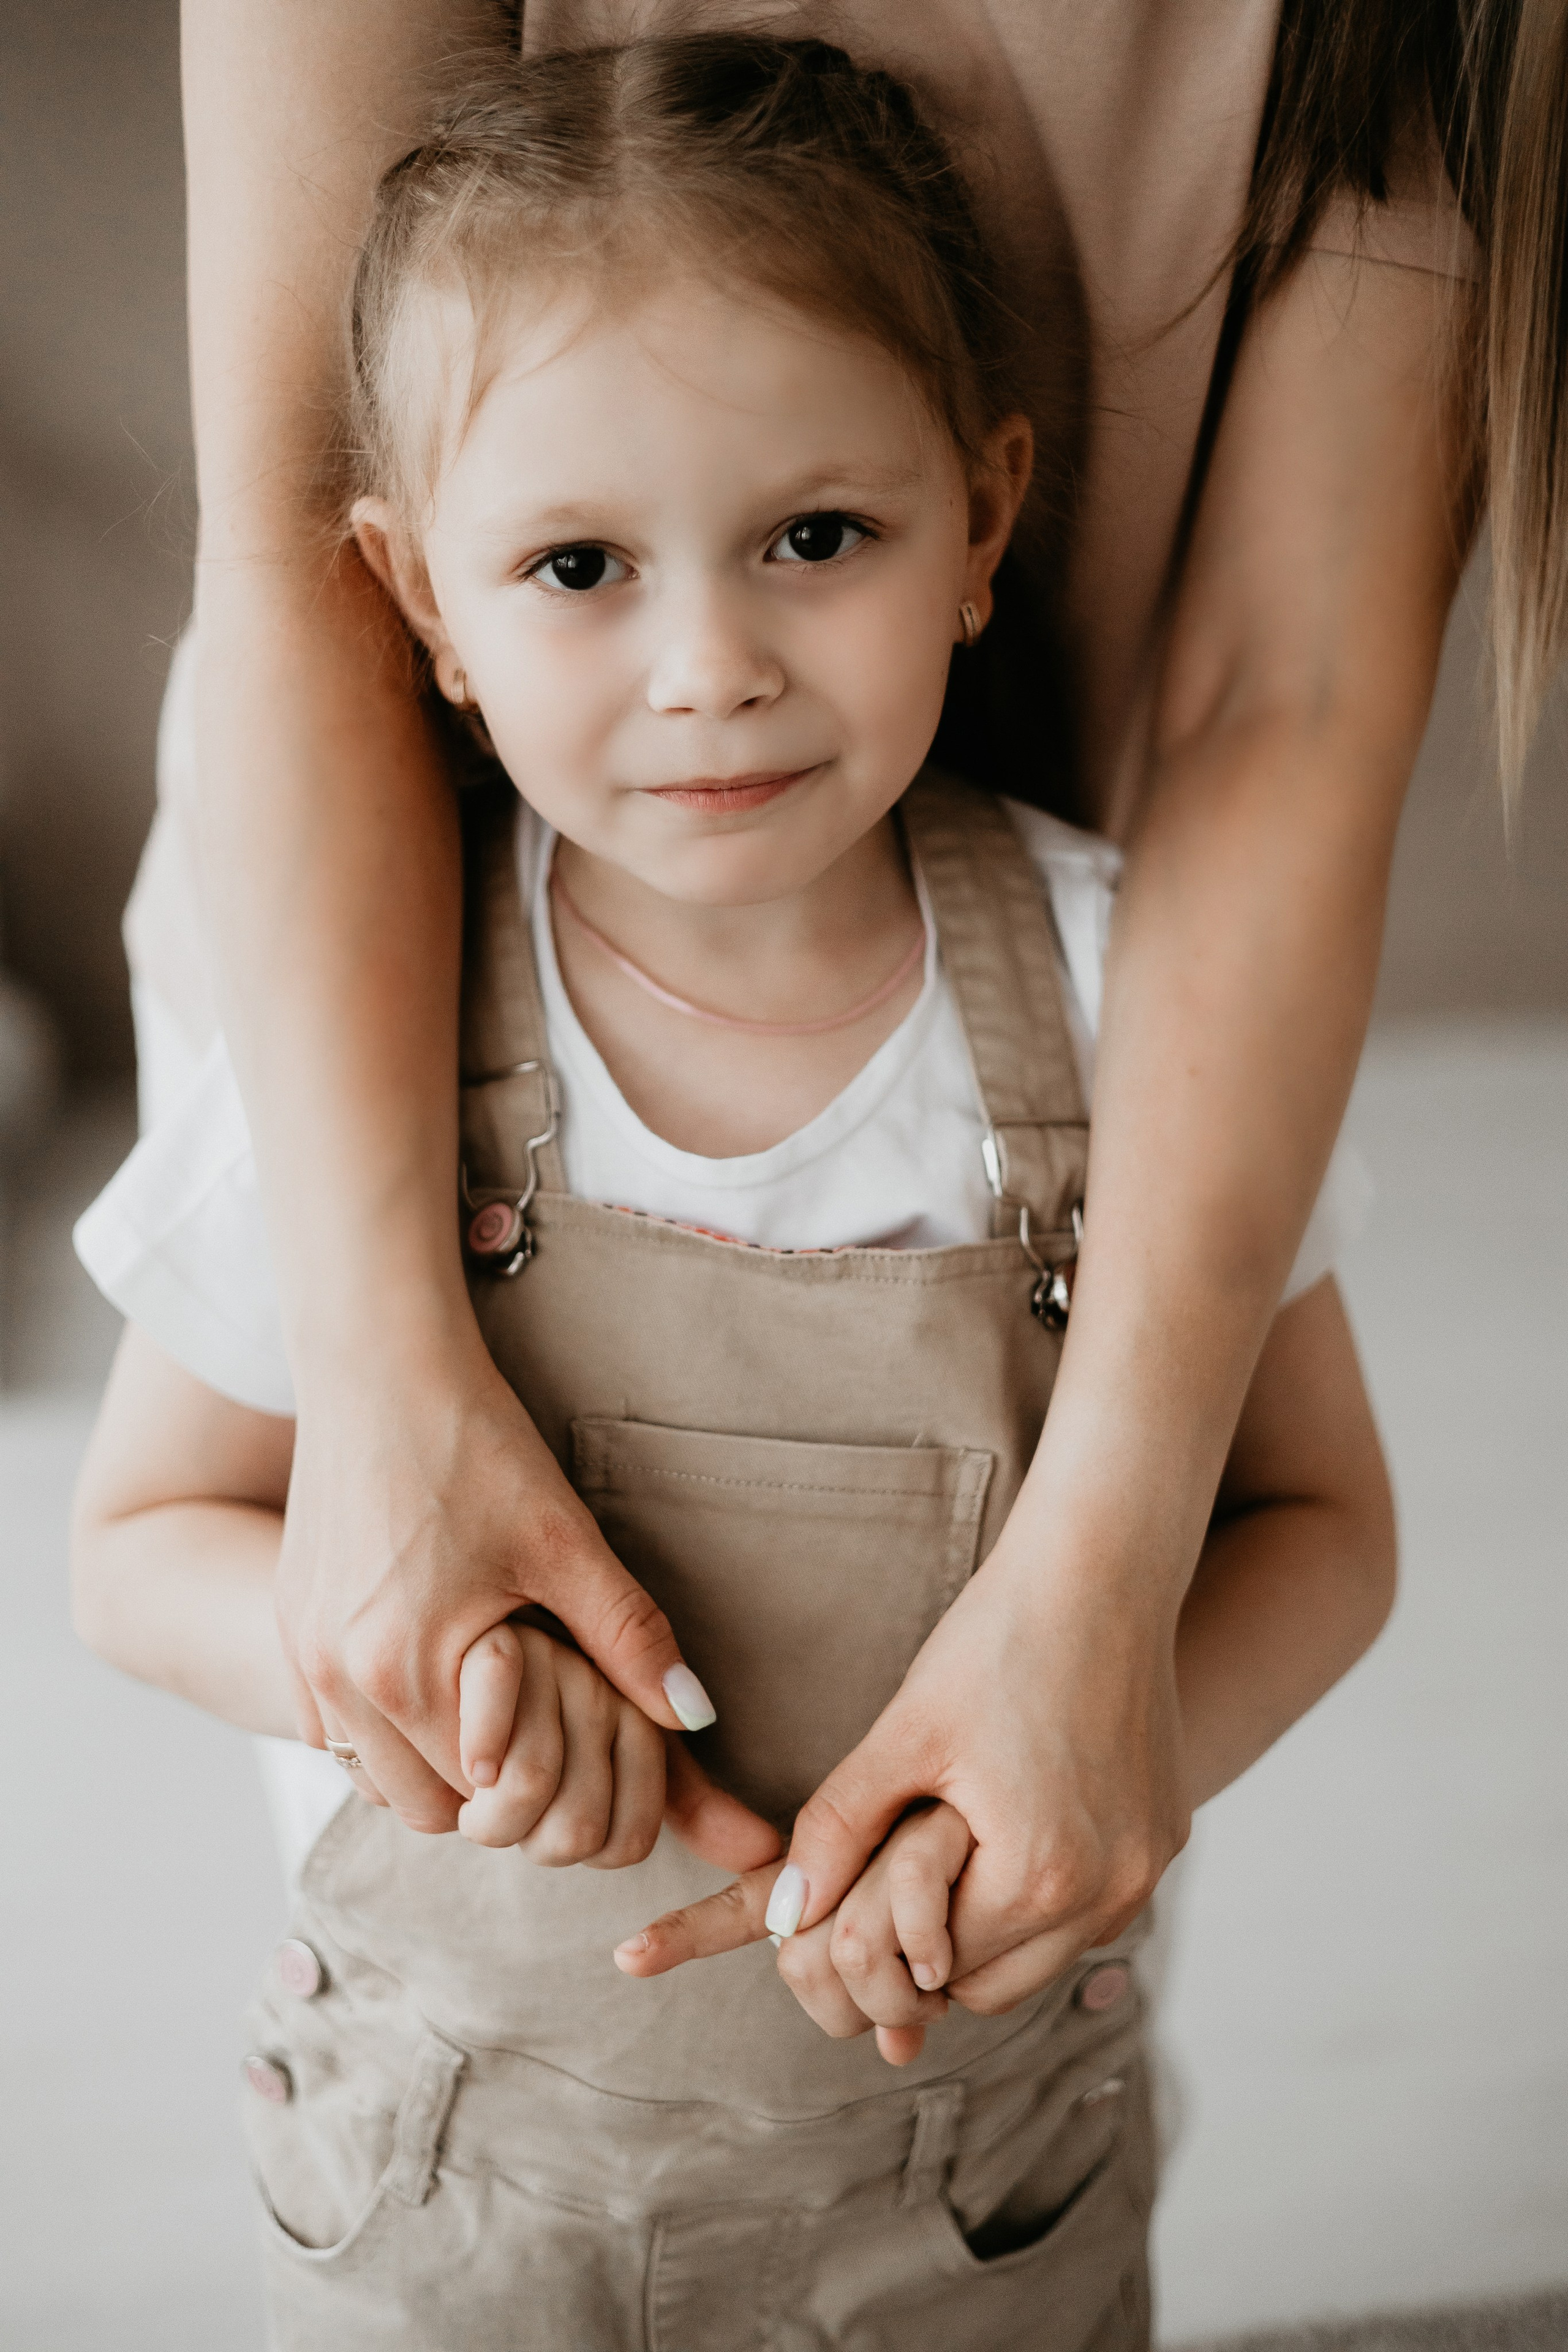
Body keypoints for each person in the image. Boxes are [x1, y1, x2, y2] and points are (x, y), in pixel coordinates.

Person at [74, 39, 1398, 2341]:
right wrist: (440, 1690)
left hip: (969, 2193)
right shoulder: (366, 1049)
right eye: (577, 566)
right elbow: (135, 1552)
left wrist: (1119, 1744)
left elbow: (1322, 1528)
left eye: (817, 537)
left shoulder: (1125, 1008)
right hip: (457, 2183)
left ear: (982, 522)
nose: (714, 669)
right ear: (425, 606)